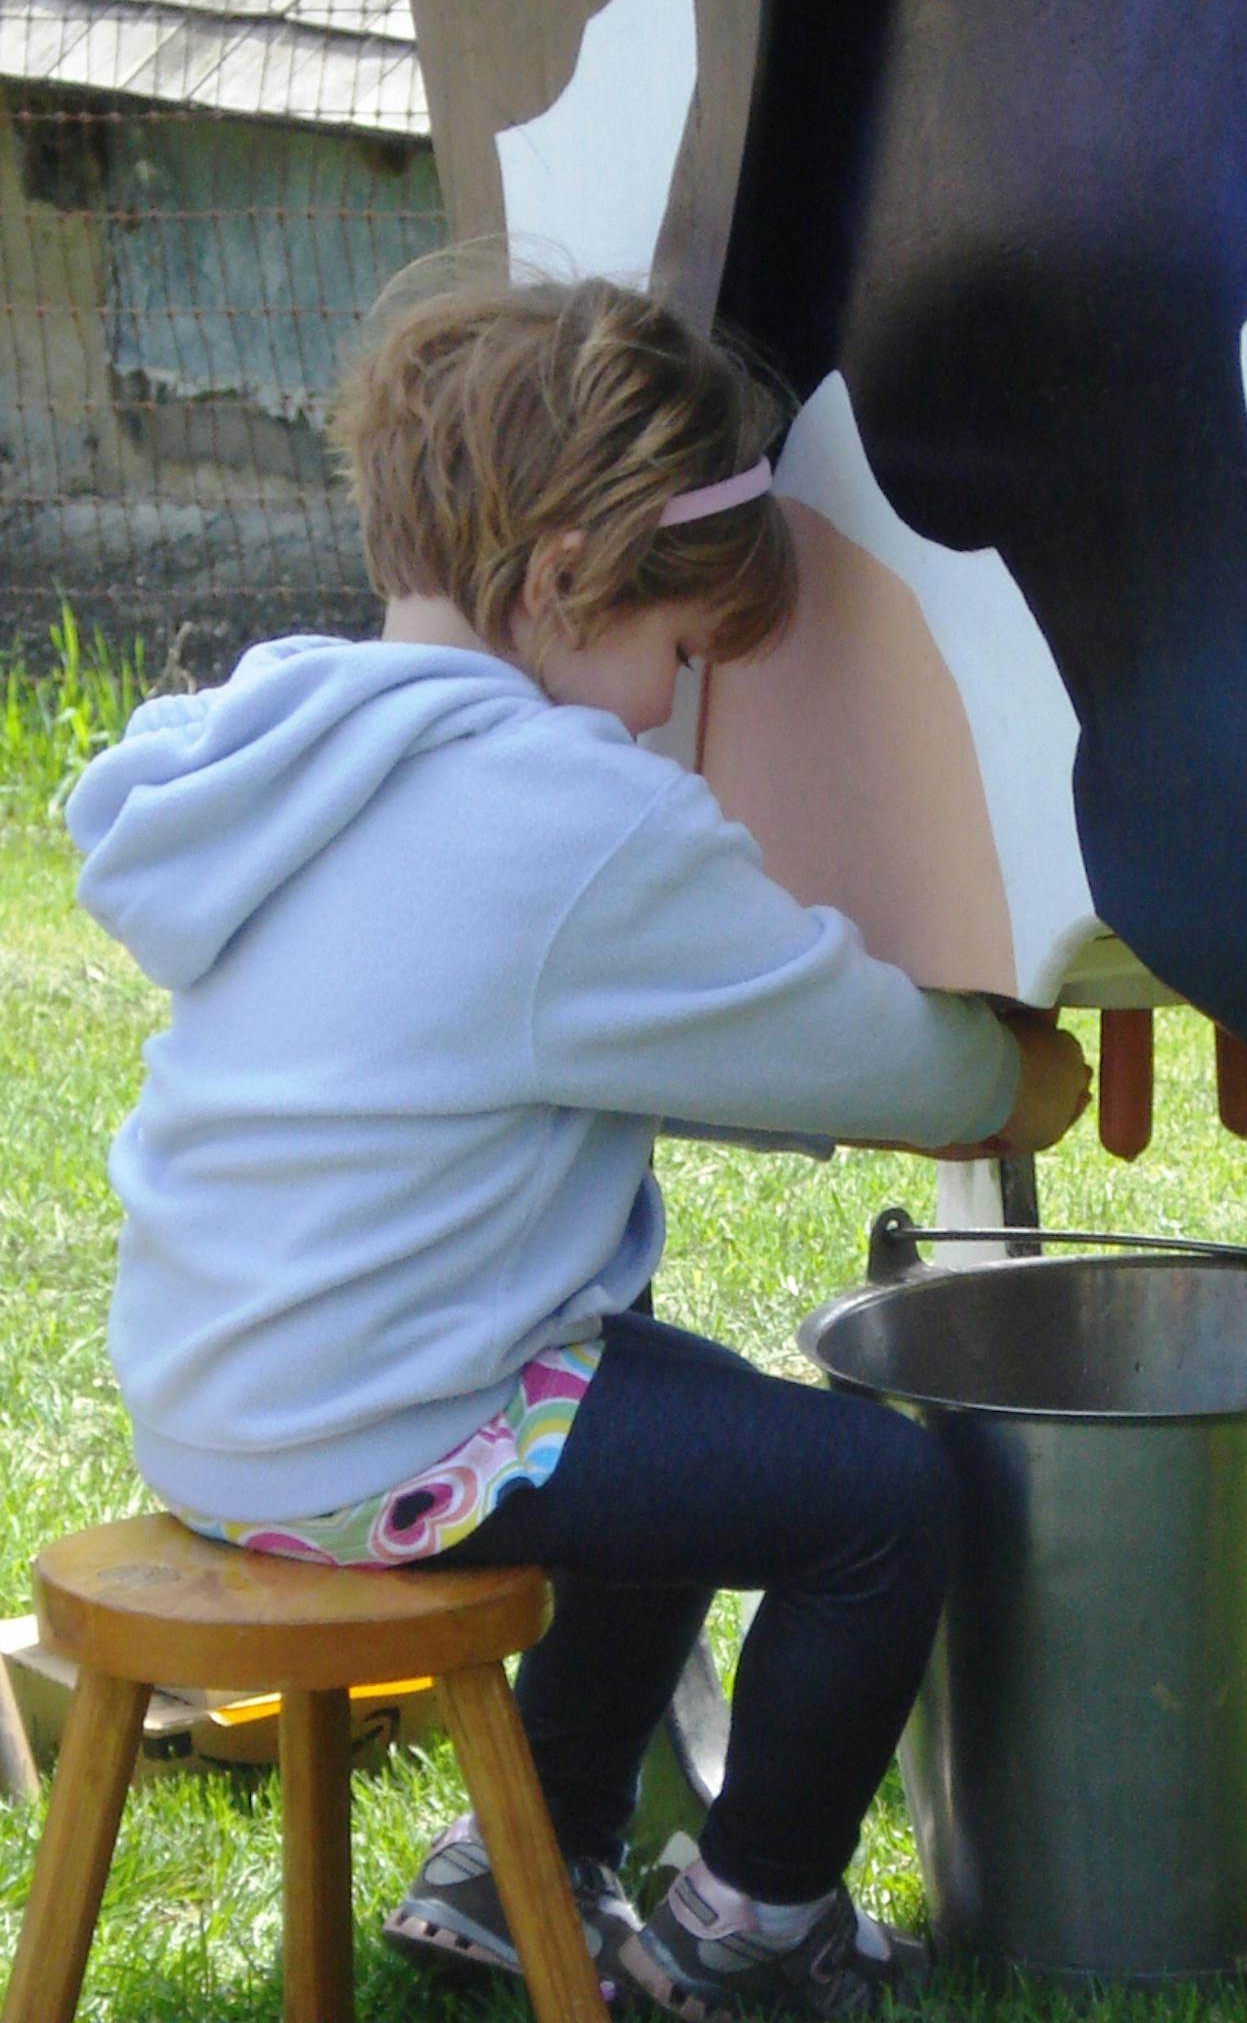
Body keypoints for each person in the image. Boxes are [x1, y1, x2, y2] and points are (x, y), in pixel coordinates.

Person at [65, 266, 1093, 2018]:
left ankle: (514, 1852)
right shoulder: (565, 816)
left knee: (651, 1411)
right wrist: (1008, 1081)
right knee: (877, 1499)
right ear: (560, 579)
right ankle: (758, 1922)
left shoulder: (289, 739)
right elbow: (846, 1047)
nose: (666, 708)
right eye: (678, 653)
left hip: (221, 1399)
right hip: (381, 1433)